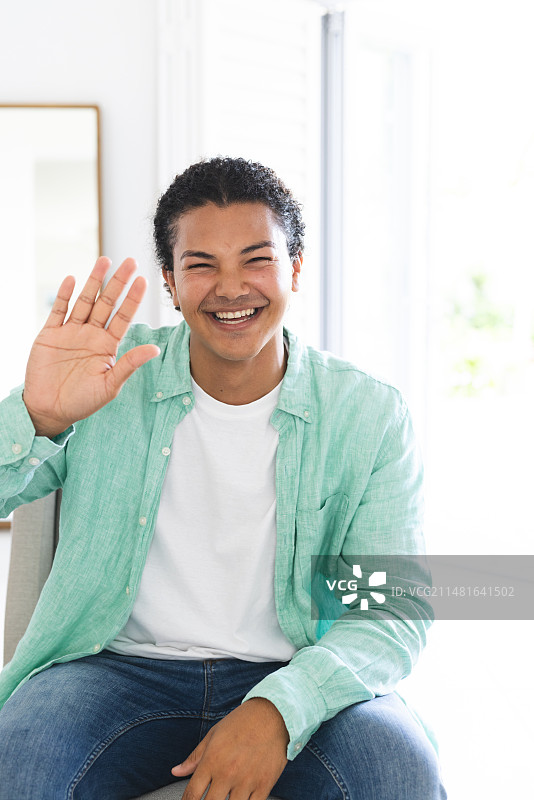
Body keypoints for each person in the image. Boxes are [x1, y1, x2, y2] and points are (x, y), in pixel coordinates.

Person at [0, 157, 447, 799]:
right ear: (171, 282)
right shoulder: (110, 381)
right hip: (116, 670)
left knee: (396, 770)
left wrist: (278, 708)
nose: (230, 287)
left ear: (295, 268)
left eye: (256, 259)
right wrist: (36, 416)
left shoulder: (369, 415)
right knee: (21, 758)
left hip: (294, 667)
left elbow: (394, 612)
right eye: (201, 264)